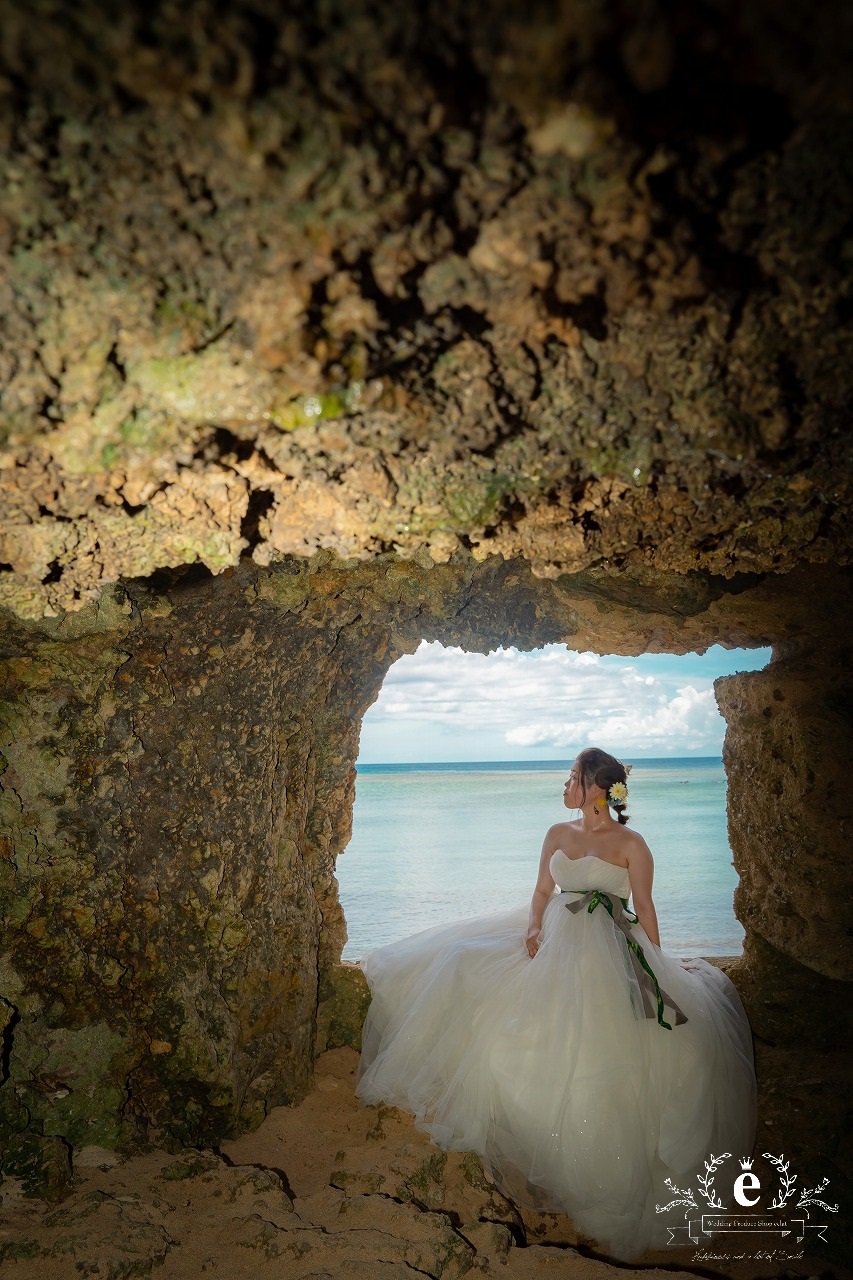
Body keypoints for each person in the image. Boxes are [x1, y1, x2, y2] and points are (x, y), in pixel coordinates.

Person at [355, 747, 758, 1262]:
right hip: (556, 941)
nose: (564, 783)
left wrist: (660, 967)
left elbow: (646, 907)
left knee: (619, 1049)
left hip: (611, 947)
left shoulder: (633, 844)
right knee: (465, 965)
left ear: (596, 788)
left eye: (572, 776)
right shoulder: (556, 834)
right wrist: (530, 926)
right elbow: (542, 891)